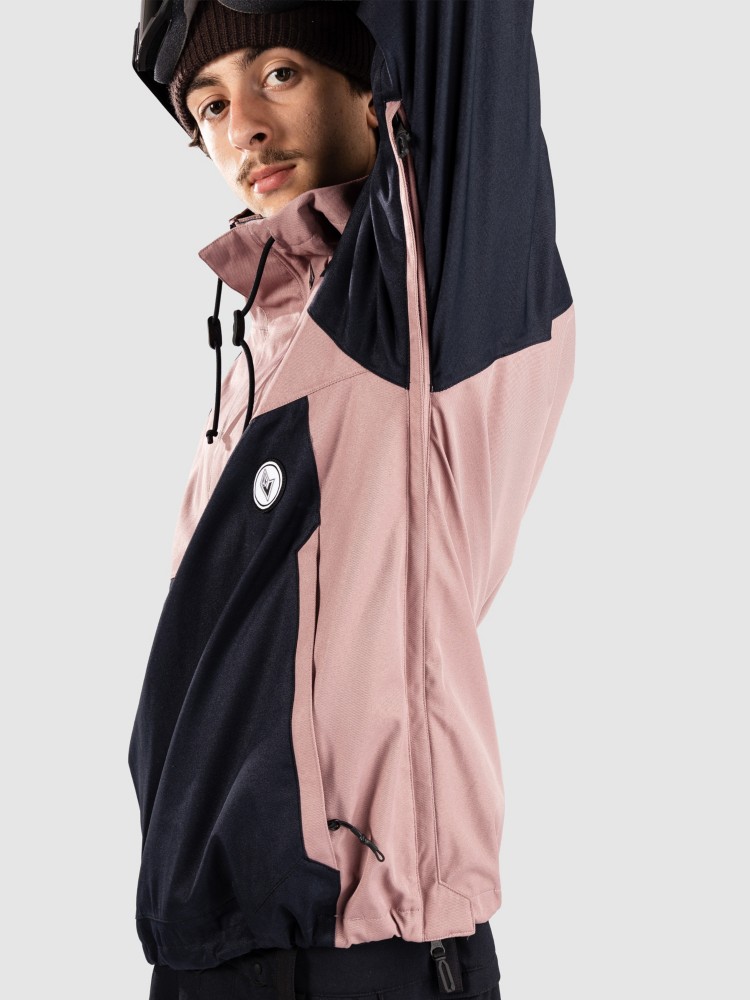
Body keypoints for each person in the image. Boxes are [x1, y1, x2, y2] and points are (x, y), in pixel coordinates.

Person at [128, 2, 576, 998]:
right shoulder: (269, 342)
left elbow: (462, 30)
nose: (243, 127)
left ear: (371, 88)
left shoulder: (433, 293)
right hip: (203, 953)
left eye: (278, 73)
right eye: (210, 105)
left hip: (360, 954)